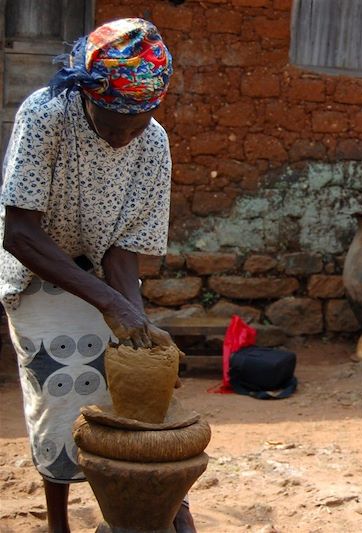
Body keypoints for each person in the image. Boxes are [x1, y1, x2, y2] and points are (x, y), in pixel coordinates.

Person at [0, 18, 195, 532]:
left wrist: (132, 315)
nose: (123, 136)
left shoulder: (153, 144)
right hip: (35, 264)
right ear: (88, 94)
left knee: (136, 385)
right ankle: (59, 521)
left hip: (97, 269)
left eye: (137, 122)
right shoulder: (46, 115)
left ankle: (160, 514)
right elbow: (18, 232)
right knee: (62, 387)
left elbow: (124, 252)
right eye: (113, 121)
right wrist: (110, 305)